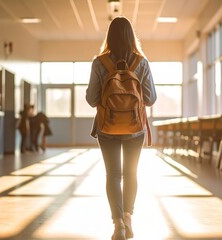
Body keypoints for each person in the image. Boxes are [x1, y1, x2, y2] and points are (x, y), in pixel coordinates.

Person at [86, 16, 157, 240]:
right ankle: (128, 218)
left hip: (106, 128)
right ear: (131, 36)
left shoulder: (99, 62)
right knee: (131, 173)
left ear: (109, 35)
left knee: (113, 175)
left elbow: (91, 99)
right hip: (135, 129)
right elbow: (151, 98)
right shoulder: (141, 62)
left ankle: (117, 224)